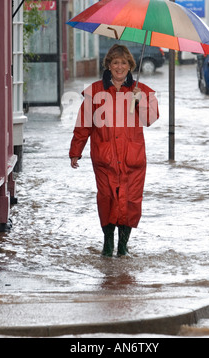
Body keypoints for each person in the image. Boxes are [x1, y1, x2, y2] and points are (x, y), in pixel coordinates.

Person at [69, 44, 159, 257]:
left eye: (124, 63)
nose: (119, 67)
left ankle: (123, 246)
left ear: (130, 66)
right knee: (107, 197)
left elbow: (151, 119)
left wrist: (141, 102)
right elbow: (83, 124)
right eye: (115, 62)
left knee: (130, 200)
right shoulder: (95, 92)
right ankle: (108, 243)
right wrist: (75, 150)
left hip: (133, 157)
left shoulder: (142, 91)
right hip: (104, 157)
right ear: (108, 65)